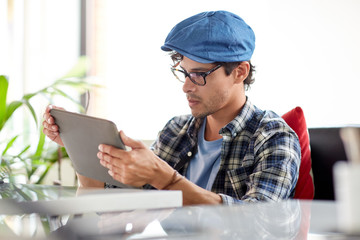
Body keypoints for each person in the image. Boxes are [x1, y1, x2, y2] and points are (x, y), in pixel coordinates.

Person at [42, 10, 300, 205]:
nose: (186, 87)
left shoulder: (274, 137)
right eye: (184, 73)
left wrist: (166, 179)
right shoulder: (175, 130)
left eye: (199, 74)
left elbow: (258, 223)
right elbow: (117, 206)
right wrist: (82, 148)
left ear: (239, 72)